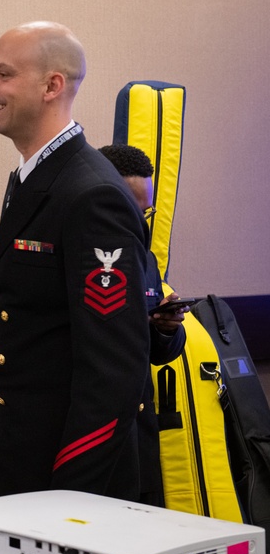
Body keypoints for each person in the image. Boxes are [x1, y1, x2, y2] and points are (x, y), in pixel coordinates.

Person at [0, 22, 150, 504]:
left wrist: (69, 495)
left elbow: (113, 373)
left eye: (2, 74)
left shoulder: (91, 194)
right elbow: (15, 337)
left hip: (61, 475)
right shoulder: (34, 178)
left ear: (52, 86)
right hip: (14, 453)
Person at [99, 142, 187, 506]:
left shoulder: (146, 260)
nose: (138, 220)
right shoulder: (81, 255)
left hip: (139, 430)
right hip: (95, 432)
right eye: (128, 208)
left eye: (145, 211)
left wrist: (166, 327)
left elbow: (154, 351)